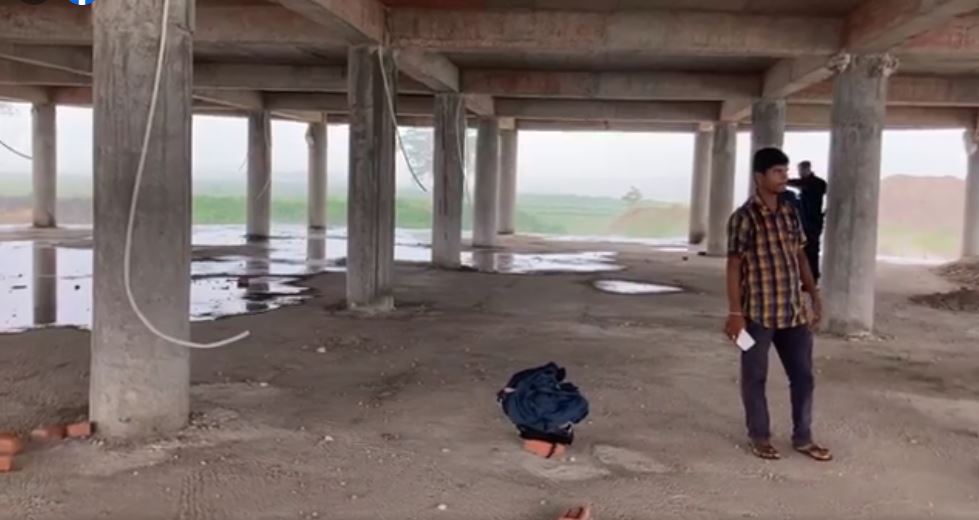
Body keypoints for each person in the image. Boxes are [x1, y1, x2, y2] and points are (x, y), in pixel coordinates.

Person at [724, 148, 832, 462]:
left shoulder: (789, 213)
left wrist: (814, 295)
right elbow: (733, 265)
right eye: (777, 171)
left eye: (785, 171)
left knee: (804, 377)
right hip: (757, 315)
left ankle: (803, 438)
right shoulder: (743, 218)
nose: (784, 177)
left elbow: (800, 256)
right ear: (759, 177)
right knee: (754, 377)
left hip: (792, 312)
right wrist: (735, 313)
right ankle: (759, 436)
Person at [788, 161, 828, 282]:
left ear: (807, 169)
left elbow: (798, 183)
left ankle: (812, 277)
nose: (800, 173)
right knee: (809, 250)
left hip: (812, 222)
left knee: (810, 250)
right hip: (810, 221)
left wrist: (782, 181)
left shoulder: (815, 183)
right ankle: (811, 277)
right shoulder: (819, 183)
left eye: (800, 171)